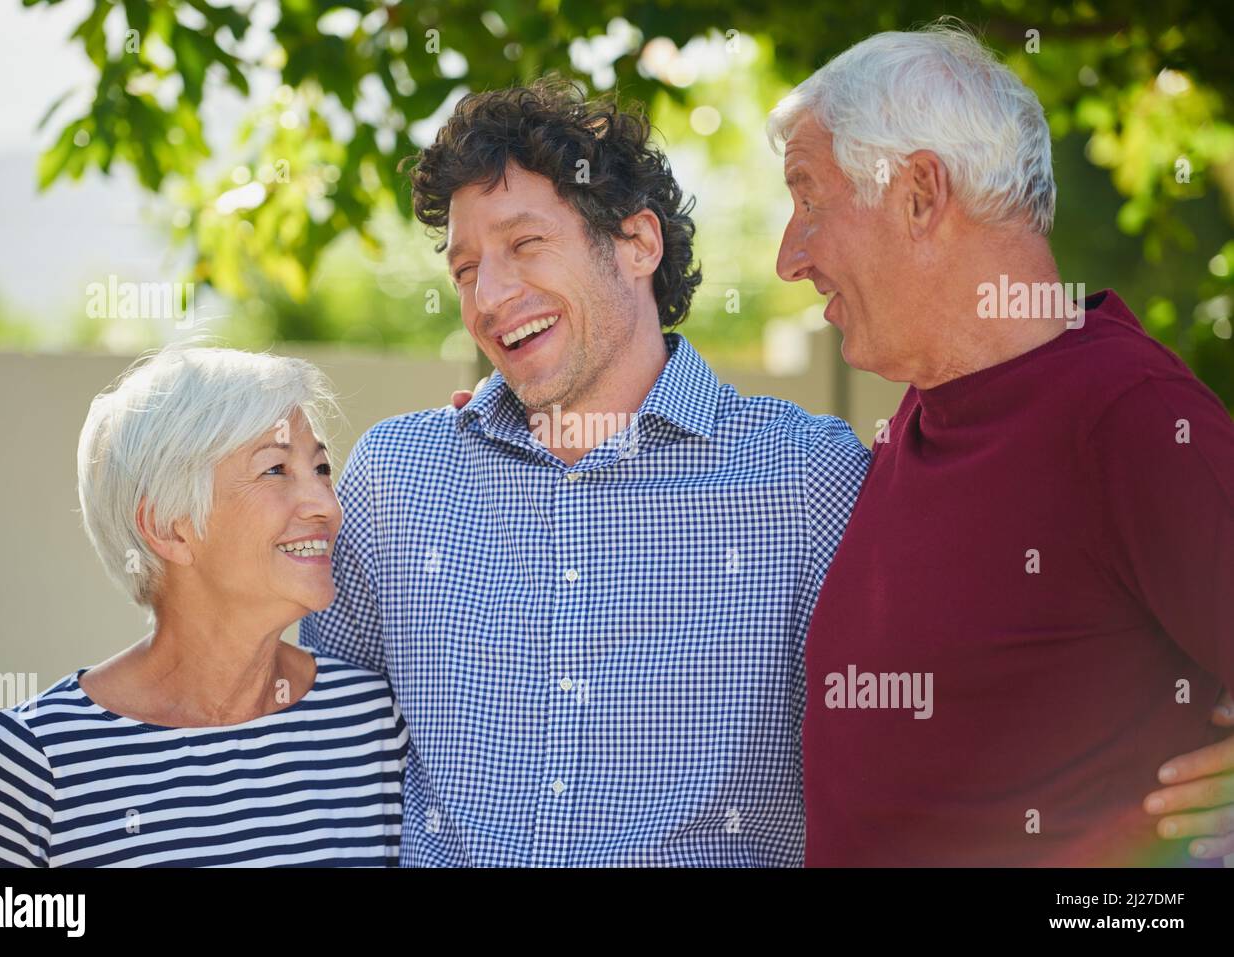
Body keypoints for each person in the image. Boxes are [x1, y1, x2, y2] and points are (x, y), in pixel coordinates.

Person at [299, 79, 871, 866]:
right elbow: (333, 763)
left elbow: (888, 776)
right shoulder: (397, 477)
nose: (490, 296)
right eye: (465, 270)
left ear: (638, 243)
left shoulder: (810, 478)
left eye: (525, 244)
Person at [766, 23, 1234, 865]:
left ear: (919, 194)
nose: (788, 257)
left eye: (809, 198)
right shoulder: (921, 414)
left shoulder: (1130, 416)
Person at [0, 346, 407, 867]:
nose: (326, 502)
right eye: (275, 470)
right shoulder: (36, 758)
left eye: (320, 468)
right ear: (167, 527)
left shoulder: (373, 720)